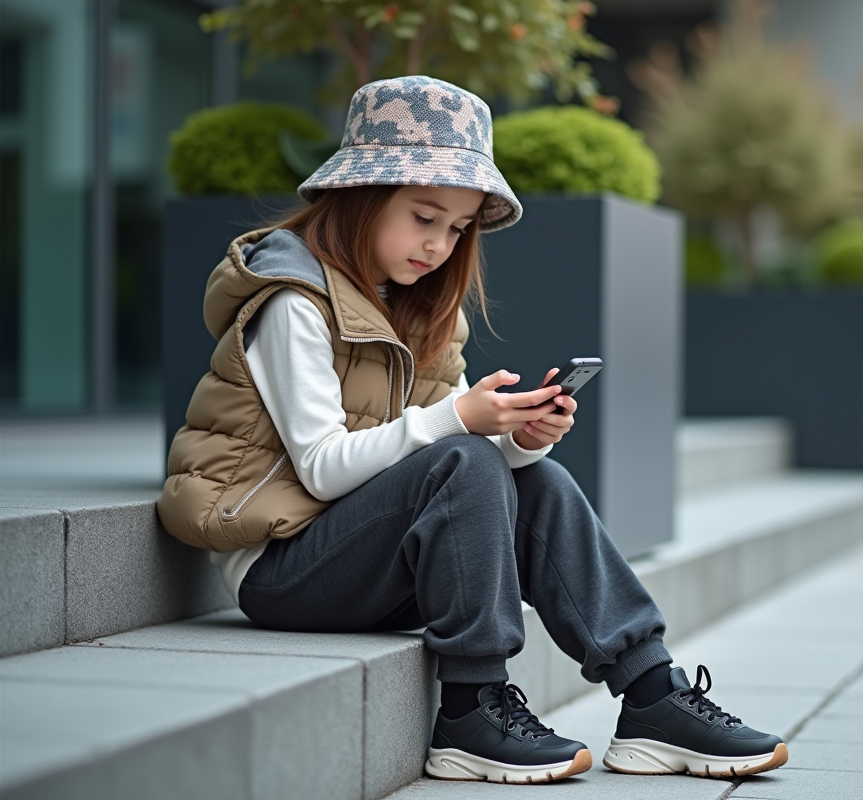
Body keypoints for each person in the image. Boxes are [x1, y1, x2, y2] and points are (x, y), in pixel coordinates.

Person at [157, 76, 787, 784]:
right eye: (424, 217)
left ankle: (650, 693)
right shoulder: (292, 303)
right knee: (461, 457)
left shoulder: (419, 306)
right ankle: (469, 709)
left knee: (539, 479)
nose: (439, 245)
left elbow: (458, 466)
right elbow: (325, 468)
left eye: (457, 228)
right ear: (360, 195)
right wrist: (458, 419)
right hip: (283, 570)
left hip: (372, 558)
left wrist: (519, 437)